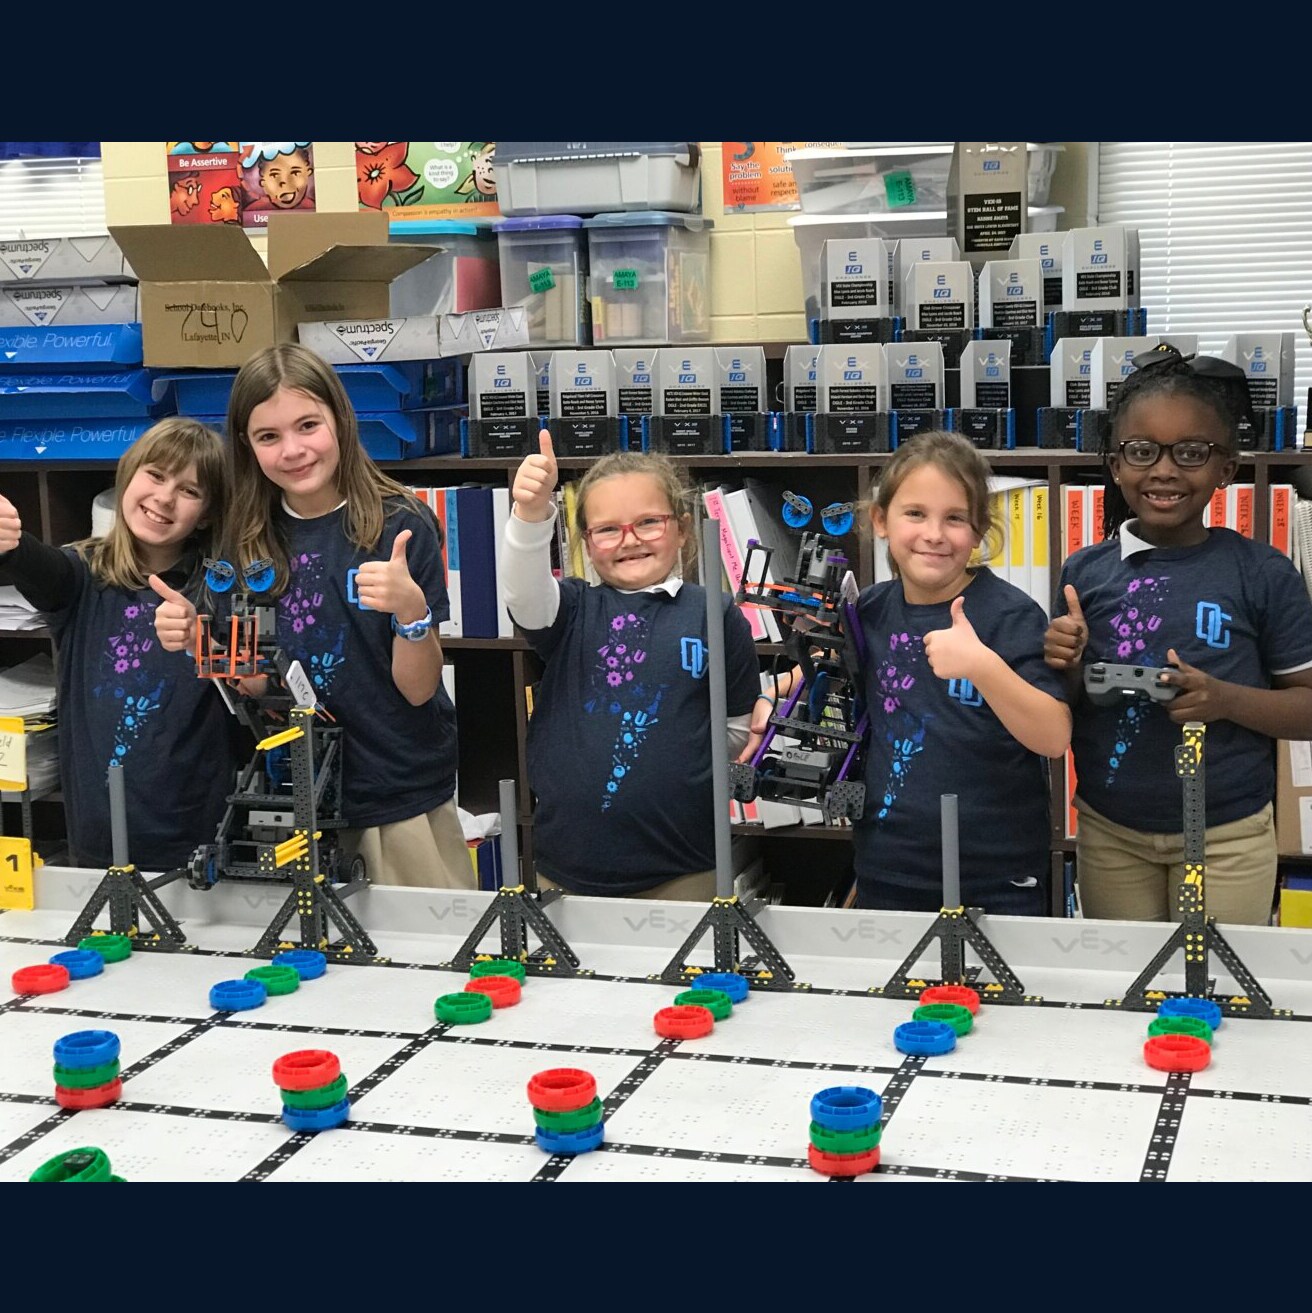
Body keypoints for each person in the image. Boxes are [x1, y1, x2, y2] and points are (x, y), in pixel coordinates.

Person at [152, 343, 470, 889]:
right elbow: (254, 682)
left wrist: (411, 611)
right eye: (269, 437)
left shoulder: (401, 523)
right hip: (295, 801)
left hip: (396, 796)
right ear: (247, 447)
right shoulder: (241, 539)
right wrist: (197, 639)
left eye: (308, 426)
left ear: (340, 422)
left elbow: (418, 691)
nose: (293, 450)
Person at [1044, 343, 1312, 925]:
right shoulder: (1083, 572)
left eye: (1191, 453)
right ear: (1116, 464)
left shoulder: (1263, 573)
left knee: (1216, 996)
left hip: (1228, 836)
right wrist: (1063, 667)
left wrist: (1226, 700)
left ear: (1227, 468)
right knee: (1126, 995)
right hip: (1111, 830)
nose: (1164, 470)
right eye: (1141, 451)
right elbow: (1063, 709)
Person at [752, 430, 1071, 915]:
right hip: (887, 864)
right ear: (881, 520)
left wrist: (982, 666)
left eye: (956, 518)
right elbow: (835, 664)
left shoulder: (1011, 616)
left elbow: (1052, 737)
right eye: (915, 513)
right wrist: (778, 689)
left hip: (996, 873)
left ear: (980, 530)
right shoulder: (872, 610)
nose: (934, 534)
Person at [500, 434, 762, 899]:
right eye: (608, 529)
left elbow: (736, 728)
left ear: (682, 529)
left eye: (649, 522)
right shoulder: (571, 610)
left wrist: (680, 762)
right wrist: (530, 515)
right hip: (565, 866)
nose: (630, 540)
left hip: (685, 866)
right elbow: (524, 594)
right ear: (585, 542)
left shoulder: (715, 614)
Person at [0, 418, 244, 872]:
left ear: (207, 513)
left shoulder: (223, 586)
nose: (164, 497)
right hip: (100, 837)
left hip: (200, 837)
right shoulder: (82, 574)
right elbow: (42, 567)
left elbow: (255, 686)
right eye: (154, 474)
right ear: (128, 476)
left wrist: (199, 641)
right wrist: (12, 545)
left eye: (189, 490)